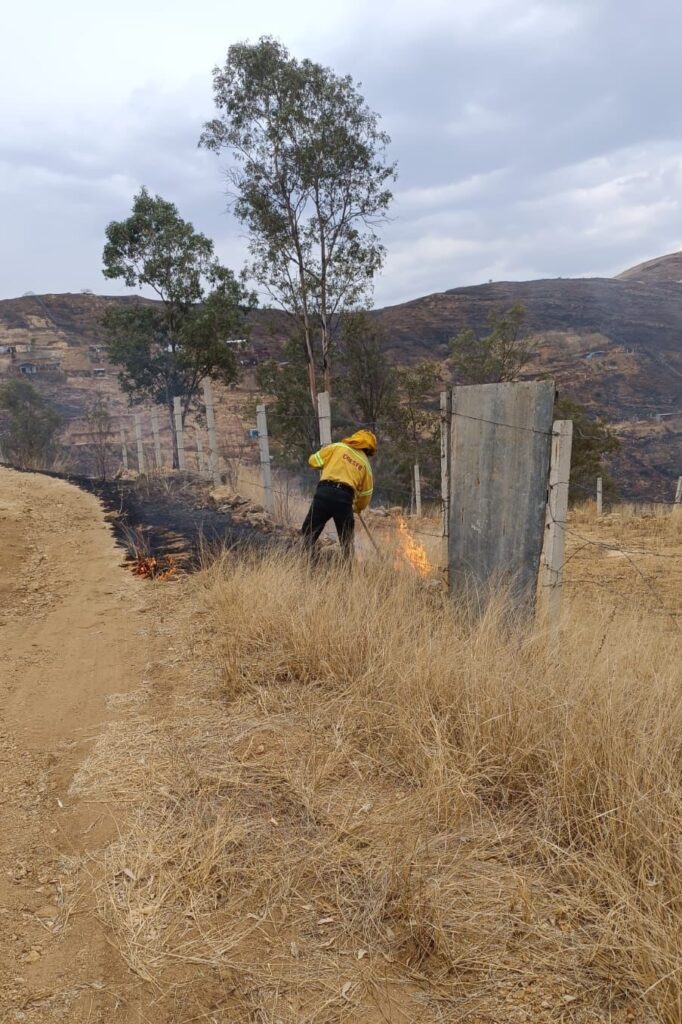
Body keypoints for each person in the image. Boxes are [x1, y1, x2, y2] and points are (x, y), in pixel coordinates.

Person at [301, 429, 377, 561]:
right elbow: (366, 494)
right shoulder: (365, 465)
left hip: (323, 493)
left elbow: (313, 461)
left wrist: (328, 464)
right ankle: (346, 575)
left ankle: (307, 564)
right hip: (344, 499)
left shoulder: (337, 447)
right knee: (346, 542)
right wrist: (357, 507)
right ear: (369, 449)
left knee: (309, 532)